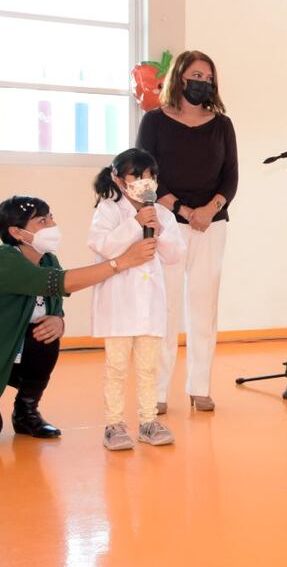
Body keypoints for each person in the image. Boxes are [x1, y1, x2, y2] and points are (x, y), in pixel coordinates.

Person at [0, 197, 156, 449]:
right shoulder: (1, 261)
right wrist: (123, 261)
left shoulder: (47, 260)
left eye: (51, 217)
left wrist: (59, 321)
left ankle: (25, 412)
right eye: (43, 221)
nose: (53, 224)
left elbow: (55, 304)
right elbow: (65, 282)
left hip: (5, 353)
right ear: (15, 232)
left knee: (45, 334)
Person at [136, 50, 238, 413]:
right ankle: (158, 391)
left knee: (203, 307)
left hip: (211, 224)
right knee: (164, 309)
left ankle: (200, 386)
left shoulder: (222, 124)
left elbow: (230, 177)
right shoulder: (154, 121)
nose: (203, 83)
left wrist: (209, 211)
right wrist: (181, 209)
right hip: (167, 224)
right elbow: (144, 175)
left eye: (208, 79)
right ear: (180, 77)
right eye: (197, 75)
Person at [89, 149, 186, 450]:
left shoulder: (163, 214)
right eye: (137, 177)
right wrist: (135, 222)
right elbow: (102, 245)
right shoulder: (108, 210)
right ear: (119, 180)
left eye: (151, 177)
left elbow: (175, 255)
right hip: (118, 303)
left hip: (149, 306)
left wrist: (159, 230)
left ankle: (148, 421)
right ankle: (114, 424)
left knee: (148, 367)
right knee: (116, 367)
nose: (145, 183)